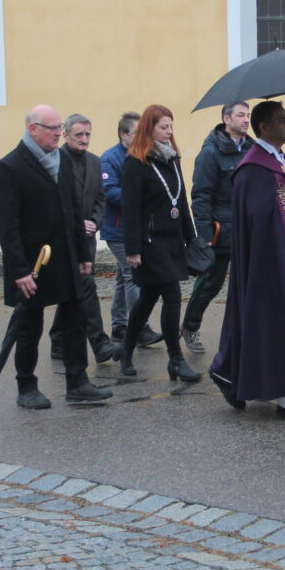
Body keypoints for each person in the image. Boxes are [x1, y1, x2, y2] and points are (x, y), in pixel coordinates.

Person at [0, 104, 113, 409]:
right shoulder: (9, 167)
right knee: (29, 327)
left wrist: (84, 254)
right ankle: (26, 386)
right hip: (31, 264)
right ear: (33, 129)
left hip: (66, 257)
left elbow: (75, 210)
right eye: (53, 128)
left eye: (60, 127)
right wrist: (19, 270)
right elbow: (7, 227)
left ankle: (78, 383)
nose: (59, 133)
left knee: (75, 320)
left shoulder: (62, 160)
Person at [210, 100, 285, 418]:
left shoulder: (282, 161)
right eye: (281, 120)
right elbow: (259, 213)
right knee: (278, 321)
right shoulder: (253, 167)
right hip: (269, 263)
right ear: (264, 127)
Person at [118, 104, 200, 383]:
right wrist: (132, 249)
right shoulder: (136, 162)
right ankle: (176, 359)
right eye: (163, 127)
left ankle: (126, 349)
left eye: (171, 126)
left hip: (172, 240)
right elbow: (130, 208)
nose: (169, 131)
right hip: (149, 243)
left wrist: (191, 238)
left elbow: (181, 201)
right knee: (172, 295)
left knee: (147, 298)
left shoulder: (172, 159)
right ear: (149, 129)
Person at [181, 101, 251, 353]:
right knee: (211, 283)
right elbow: (201, 195)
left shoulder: (252, 149)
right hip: (221, 230)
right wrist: (205, 235)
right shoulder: (211, 153)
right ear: (226, 119)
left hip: (248, 228)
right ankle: (190, 326)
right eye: (240, 115)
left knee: (249, 283)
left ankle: (247, 332)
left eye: (248, 115)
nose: (246, 120)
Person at [49, 113, 116, 365]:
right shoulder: (56, 161)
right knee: (86, 288)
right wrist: (78, 224)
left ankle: (58, 340)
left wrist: (95, 222)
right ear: (66, 135)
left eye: (88, 134)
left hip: (87, 238)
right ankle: (100, 343)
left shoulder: (94, 162)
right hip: (65, 238)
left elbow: (100, 198)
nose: (84, 139)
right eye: (79, 134)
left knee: (74, 289)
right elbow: (56, 202)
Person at [100, 112, 163, 348]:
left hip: (138, 227)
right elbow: (108, 191)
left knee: (122, 277)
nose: (141, 137)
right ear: (123, 134)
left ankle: (119, 327)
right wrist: (139, 197)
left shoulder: (143, 155)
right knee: (133, 275)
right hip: (118, 229)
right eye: (137, 133)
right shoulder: (110, 158)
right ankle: (140, 328)